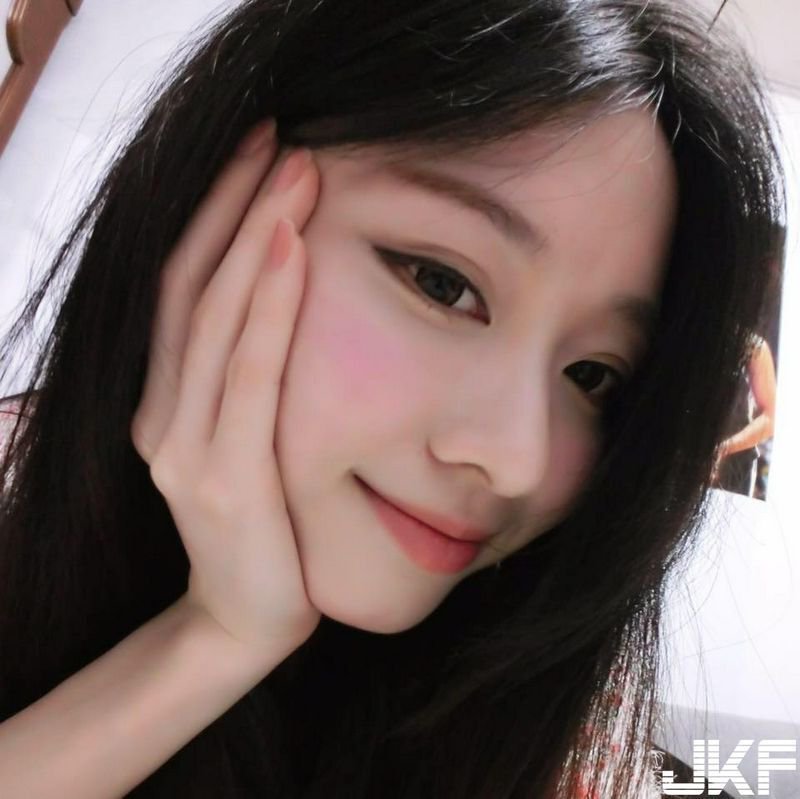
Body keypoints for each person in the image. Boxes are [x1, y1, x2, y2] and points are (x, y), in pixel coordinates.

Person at [0, 1, 785, 797]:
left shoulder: (545, 737)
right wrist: (212, 640)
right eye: (442, 284)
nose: (516, 460)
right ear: (218, 210)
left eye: (592, 375)